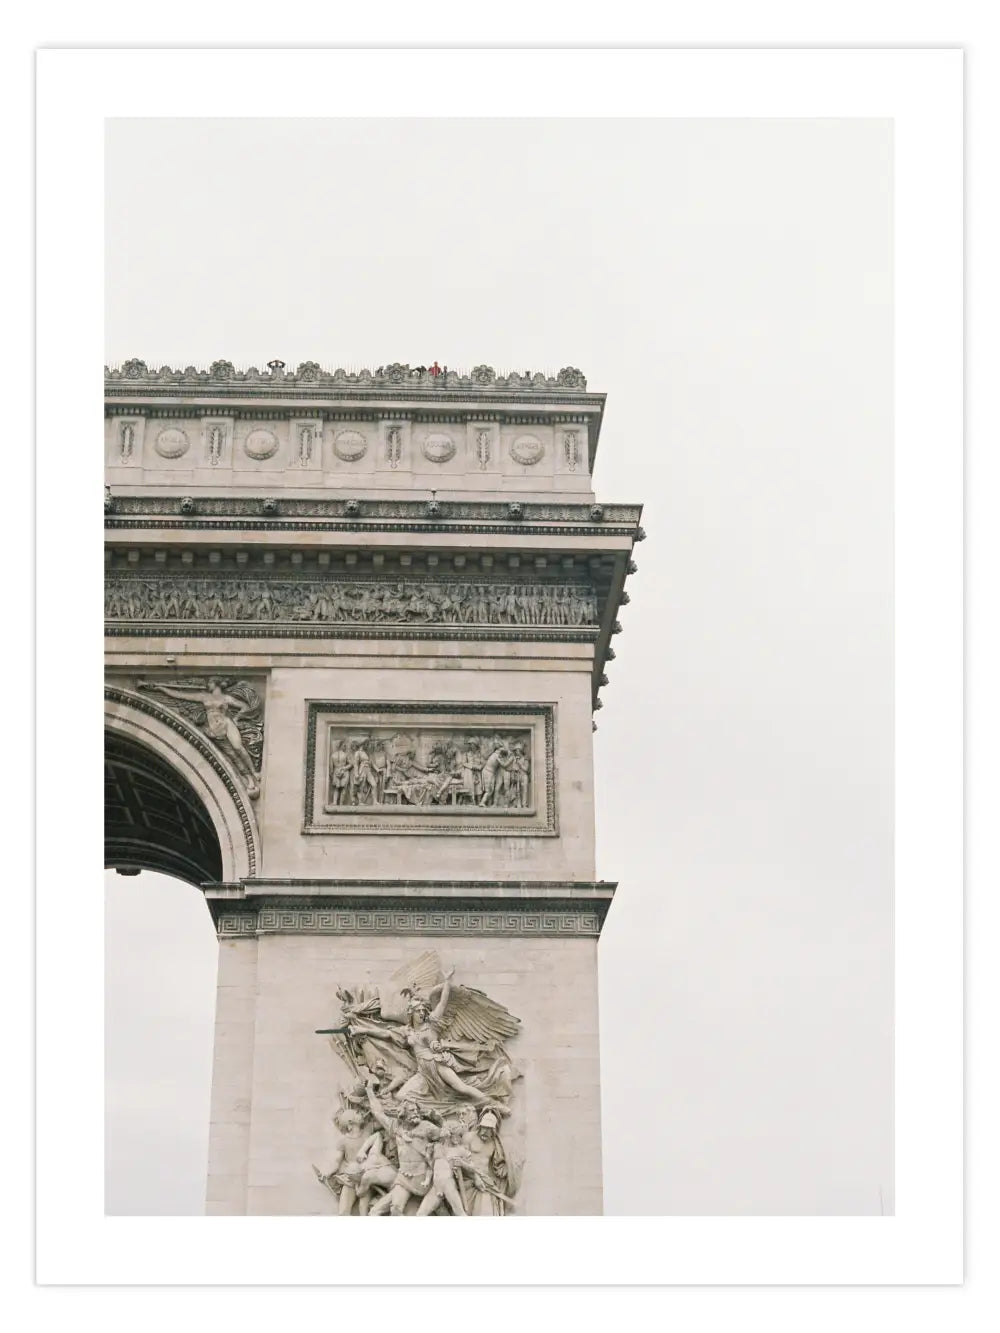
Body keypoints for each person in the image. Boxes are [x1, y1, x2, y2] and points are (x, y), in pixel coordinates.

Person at [137, 677, 259, 796]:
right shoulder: (203, 696)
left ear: (216, 683)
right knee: (232, 755)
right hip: (214, 729)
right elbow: (180, 695)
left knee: (238, 747)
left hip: (226, 723)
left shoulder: (226, 698)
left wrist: (237, 718)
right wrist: (162, 688)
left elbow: (244, 706)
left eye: (209, 682)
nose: (207, 685)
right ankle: (249, 778)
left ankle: (255, 772)